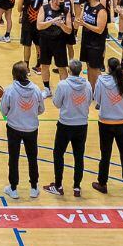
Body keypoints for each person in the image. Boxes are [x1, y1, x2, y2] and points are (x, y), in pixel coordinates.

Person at [46, 60, 93, 197]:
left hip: (65, 124)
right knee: (79, 156)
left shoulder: (63, 85)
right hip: (82, 124)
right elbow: (89, 100)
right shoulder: (87, 84)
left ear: (69, 70)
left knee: (58, 154)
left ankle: (58, 185)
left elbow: (56, 103)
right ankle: (77, 187)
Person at [0, 61, 44, 200]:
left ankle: (13, 188)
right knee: (32, 158)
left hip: (14, 128)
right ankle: (34, 187)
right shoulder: (36, 89)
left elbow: (4, 110)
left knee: (13, 158)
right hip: (31, 129)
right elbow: (41, 109)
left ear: (14, 75)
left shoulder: (10, 90)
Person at [92, 58, 123, 194]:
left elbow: (97, 100)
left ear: (108, 68)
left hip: (105, 123)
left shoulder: (101, 81)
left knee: (105, 155)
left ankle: (102, 183)